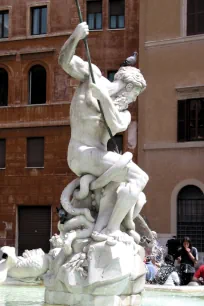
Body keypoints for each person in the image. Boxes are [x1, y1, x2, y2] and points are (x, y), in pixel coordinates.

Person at [58, 22, 148, 243]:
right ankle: (111, 231)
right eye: (134, 95)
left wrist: (105, 99)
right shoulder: (93, 77)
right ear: (128, 88)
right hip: (81, 152)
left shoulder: (123, 113)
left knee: (123, 186)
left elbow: (115, 124)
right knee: (140, 176)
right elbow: (64, 61)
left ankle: (102, 227)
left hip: (96, 157)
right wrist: (76, 36)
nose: (133, 100)